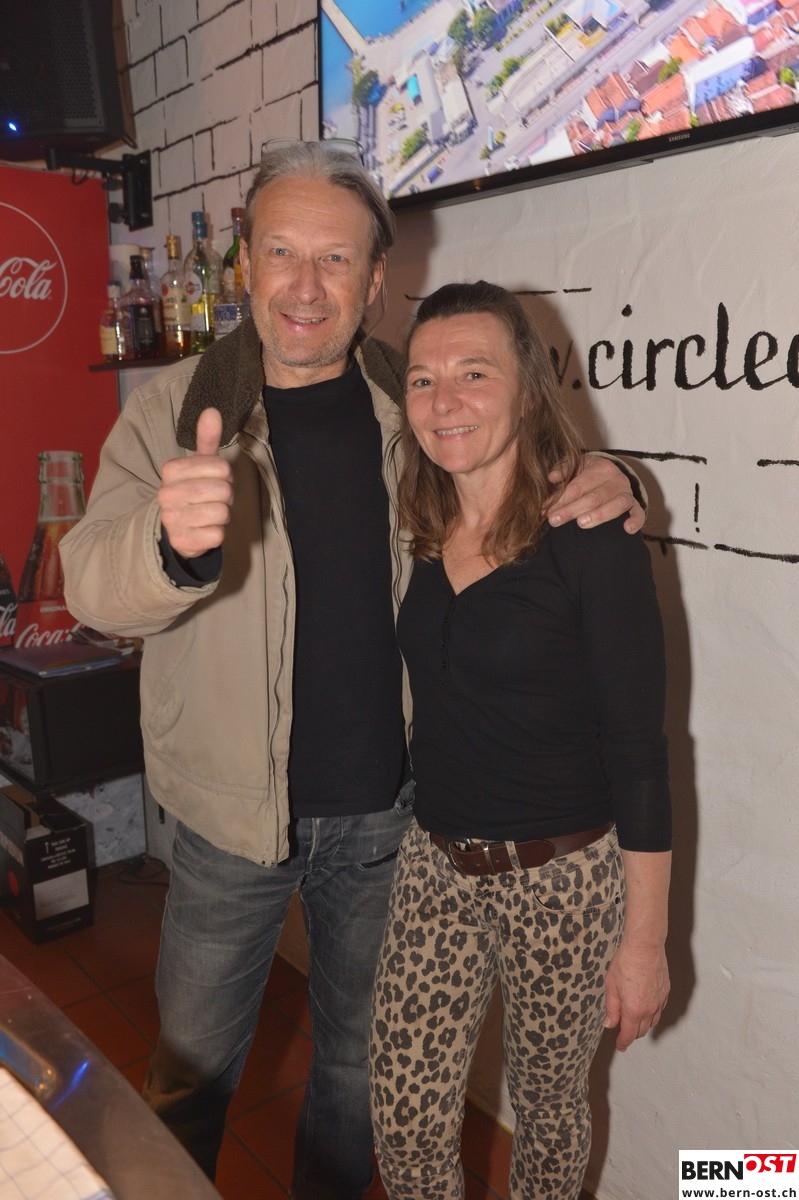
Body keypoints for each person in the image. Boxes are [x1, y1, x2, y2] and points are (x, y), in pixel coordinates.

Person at [60, 143, 646, 1200]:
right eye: (281, 252)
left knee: (356, 1075)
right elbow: (92, 582)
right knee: (190, 1074)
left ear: (375, 278)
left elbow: (523, 462)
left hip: (388, 820)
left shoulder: (412, 411)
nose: (304, 284)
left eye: (334, 259)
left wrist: (615, 474)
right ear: (245, 264)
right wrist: (167, 544)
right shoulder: (177, 412)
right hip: (228, 817)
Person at [369, 281, 672, 1200]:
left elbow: (639, 751)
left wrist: (644, 944)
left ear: (529, 388)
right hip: (434, 864)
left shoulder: (591, 539)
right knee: (403, 1116)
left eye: (473, 373)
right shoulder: (423, 527)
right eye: (422, 380)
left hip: (562, 881)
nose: (443, 400)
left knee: (548, 1116)